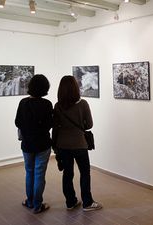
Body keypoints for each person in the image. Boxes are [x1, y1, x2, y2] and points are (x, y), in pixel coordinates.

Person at [53, 75, 102, 212]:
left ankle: (70, 202)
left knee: (67, 174)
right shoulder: (83, 104)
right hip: (80, 144)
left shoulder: (57, 106)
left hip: (63, 145)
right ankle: (87, 202)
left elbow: (55, 126)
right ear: (76, 88)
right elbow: (89, 125)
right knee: (85, 173)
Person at [15, 74, 53, 214]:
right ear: (45, 88)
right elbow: (50, 124)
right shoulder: (47, 104)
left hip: (27, 145)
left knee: (29, 172)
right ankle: (37, 205)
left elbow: (17, 122)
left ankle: (30, 201)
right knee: (39, 174)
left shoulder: (23, 103)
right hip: (42, 144)